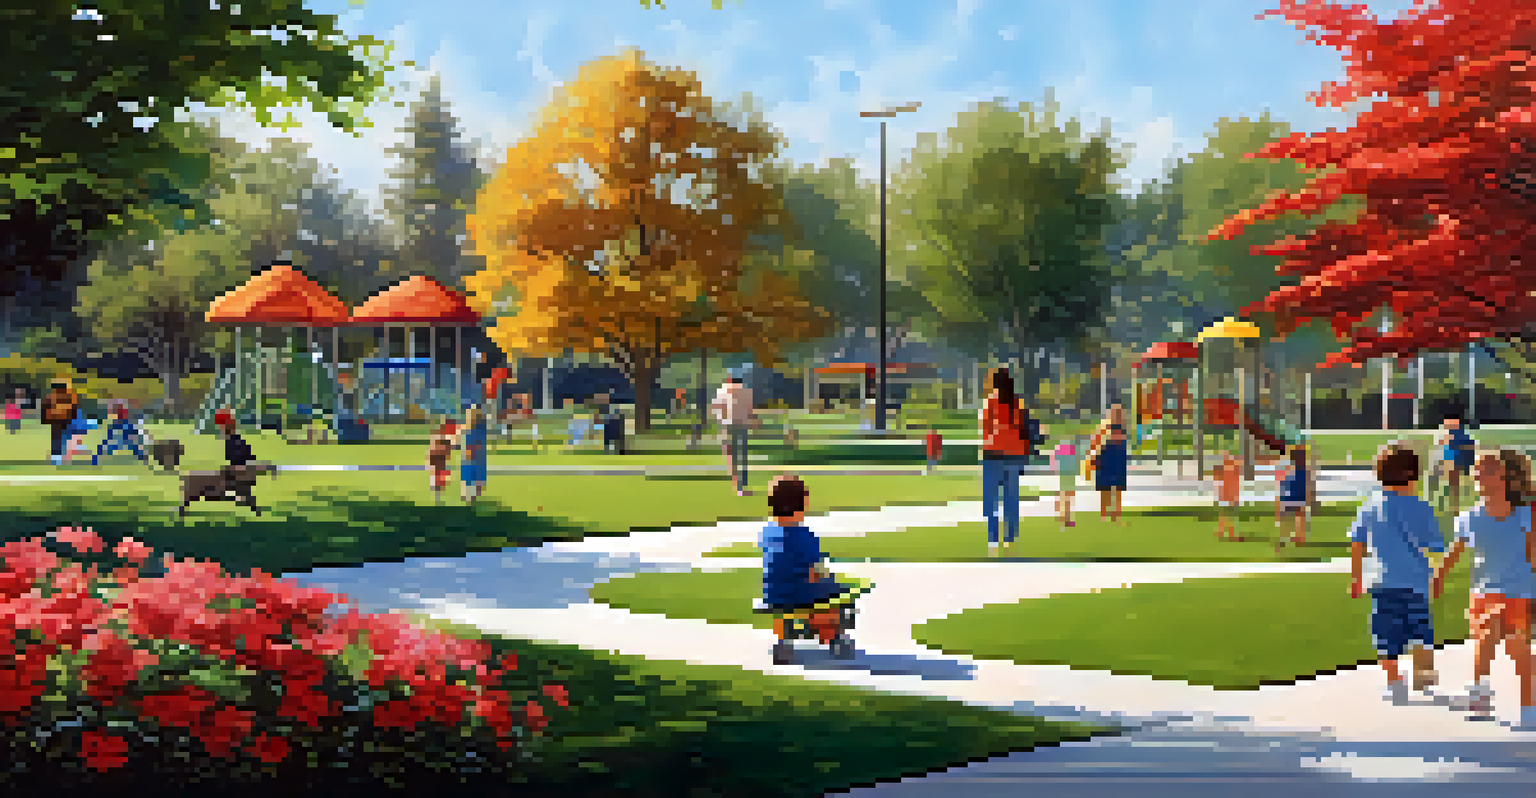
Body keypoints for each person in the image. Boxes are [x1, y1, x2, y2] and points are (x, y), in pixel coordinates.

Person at [1431, 448, 1536, 729]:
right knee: (1485, 641)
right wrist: (1438, 577)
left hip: (1519, 593)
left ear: (1505, 475)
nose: (1478, 473)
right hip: (1482, 593)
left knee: (1516, 648)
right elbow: (1454, 552)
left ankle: (1528, 706)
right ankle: (1480, 696)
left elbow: (1533, 553)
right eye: (1476, 469)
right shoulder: (1468, 518)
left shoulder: (1525, 515)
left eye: (1487, 469)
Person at [1349, 442, 1446, 705]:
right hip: (1417, 582)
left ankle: (1394, 684)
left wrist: (1356, 578)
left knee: (1386, 636)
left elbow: (1357, 543)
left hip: (1381, 582)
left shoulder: (1370, 506)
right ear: (1414, 474)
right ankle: (1423, 676)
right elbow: (1435, 547)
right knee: (1420, 631)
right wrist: (1436, 575)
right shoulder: (1422, 507)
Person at [759, 474, 852, 665]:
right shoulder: (804, 535)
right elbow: (813, 572)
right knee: (836, 591)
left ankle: (785, 638)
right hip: (799, 593)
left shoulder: (767, 532)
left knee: (798, 590)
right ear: (800, 505)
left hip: (773, 593)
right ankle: (832, 634)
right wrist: (828, 578)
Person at [979, 368, 1032, 556]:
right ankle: (1010, 538)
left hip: (993, 454)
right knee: (1011, 499)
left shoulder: (991, 401)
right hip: (1014, 455)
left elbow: (985, 429)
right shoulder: (1018, 403)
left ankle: (993, 539)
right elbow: (1024, 429)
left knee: (991, 500)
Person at [712, 374, 756, 496]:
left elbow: (718, 409)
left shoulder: (723, 391)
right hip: (741, 424)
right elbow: (749, 410)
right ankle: (741, 485)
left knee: (733, 456)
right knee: (741, 456)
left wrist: (721, 424)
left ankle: (738, 485)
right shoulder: (746, 392)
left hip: (730, 425)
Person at [1088, 405, 1130, 524]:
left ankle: (1116, 513)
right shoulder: (1104, 427)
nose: (1116, 415)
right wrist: (1093, 456)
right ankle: (1104, 514)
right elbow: (1095, 441)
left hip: (1117, 458)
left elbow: (1121, 440)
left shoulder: (1123, 428)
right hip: (1105, 458)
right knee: (1105, 488)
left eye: (1118, 413)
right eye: (1114, 412)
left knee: (1118, 488)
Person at [1437, 412, 1477, 515]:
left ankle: (1455, 508)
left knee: (1454, 486)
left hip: (1456, 462)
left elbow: (1469, 448)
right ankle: (1454, 508)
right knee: (1453, 486)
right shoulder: (1453, 434)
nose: (1445, 424)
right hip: (1453, 462)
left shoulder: (1459, 435)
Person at [1274, 445, 1311, 550]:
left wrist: (1280, 498)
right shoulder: (1304, 471)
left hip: (1289, 497)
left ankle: (1284, 538)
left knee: (1287, 519)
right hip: (1300, 497)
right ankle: (1300, 539)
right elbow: (1307, 486)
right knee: (1299, 518)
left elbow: (1283, 484)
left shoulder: (1289, 469)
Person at [41, 378, 79, 466]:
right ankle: (59, 456)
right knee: (61, 438)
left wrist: (45, 419)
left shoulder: (51, 396)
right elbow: (74, 408)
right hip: (61, 419)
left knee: (58, 438)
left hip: (58, 419)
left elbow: (45, 408)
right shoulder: (68, 396)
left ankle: (58, 456)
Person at [459, 406, 488, 504]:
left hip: (475, 455)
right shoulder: (471, 428)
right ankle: (469, 494)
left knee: (472, 476)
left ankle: (471, 494)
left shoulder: (478, 428)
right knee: (470, 476)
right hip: (473, 455)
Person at [1051, 438, 1082, 529]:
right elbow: (1076, 462)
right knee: (1067, 497)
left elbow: (1054, 462)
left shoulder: (1061, 448)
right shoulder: (1071, 449)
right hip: (1068, 474)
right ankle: (1065, 518)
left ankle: (1062, 516)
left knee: (1064, 496)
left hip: (1065, 474)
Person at [426, 422, 457, 505]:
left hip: (440, 457)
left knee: (440, 472)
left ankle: (437, 489)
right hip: (438, 457)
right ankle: (437, 489)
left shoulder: (443, 438)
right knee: (438, 472)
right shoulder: (441, 438)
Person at [1215, 453, 1242, 541]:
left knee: (1227, 515)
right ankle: (1226, 532)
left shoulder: (1232, 472)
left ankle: (1227, 532)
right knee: (1227, 515)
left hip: (1228, 495)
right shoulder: (1229, 473)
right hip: (1227, 495)